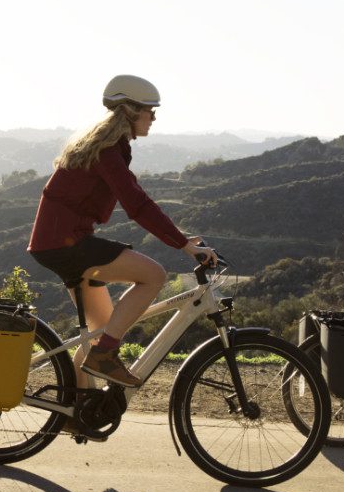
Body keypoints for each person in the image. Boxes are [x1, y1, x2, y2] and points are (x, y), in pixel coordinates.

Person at [28, 75, 217, 389]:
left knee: (101, 331)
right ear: (130, 111)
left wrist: (182, 237)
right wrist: (182, 245)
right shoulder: (107, 151)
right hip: (66, 243)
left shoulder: (104, 147)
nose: (153, 117)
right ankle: (105, 357)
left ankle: (75, 406)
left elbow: (136, 202)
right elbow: (137, 205)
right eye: (149, 110)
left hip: (58, 242)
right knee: (154, 275)